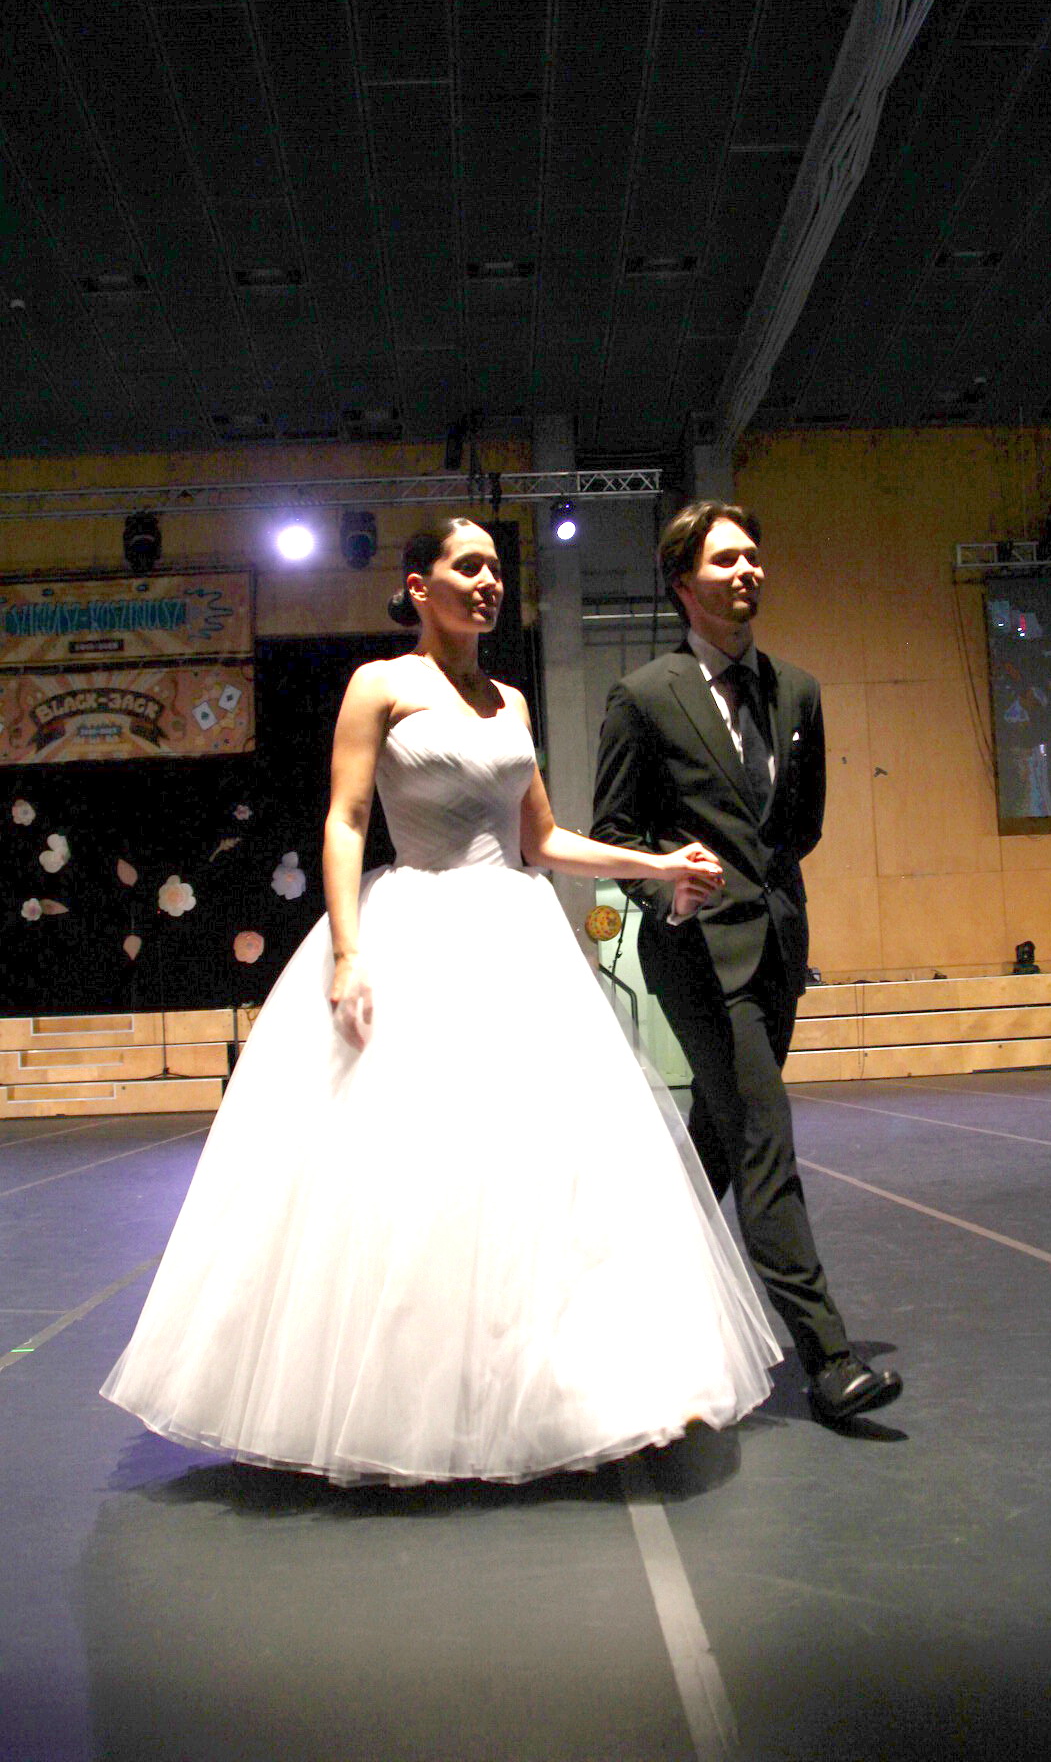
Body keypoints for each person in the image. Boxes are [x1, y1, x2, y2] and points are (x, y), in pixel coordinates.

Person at [101, 516, 781, 1485]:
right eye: (469, 567)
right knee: (413, 1176)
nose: (489, 582)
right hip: (416, 930)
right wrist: (348, 950)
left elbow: (541, 841)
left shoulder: (511, 702)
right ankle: (410, 1402)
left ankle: (558, 1393)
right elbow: (345, 820)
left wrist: (658, 863)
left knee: (537, 1177)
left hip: (517, 940)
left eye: (497, 568)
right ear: (420, 586)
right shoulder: (380, 686)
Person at [592, 500, 902, 1424]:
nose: (747, 570)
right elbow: (615, 833)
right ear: (682, 582)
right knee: (765, 1138)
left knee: (722, 1141)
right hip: (695, 954)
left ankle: (611, 1298)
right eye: (725, 559)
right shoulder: (643, 696)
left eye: (753, 556)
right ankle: (829, 1359)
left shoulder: (797, 691)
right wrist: (669, 886)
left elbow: (801, 826)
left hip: (778, 949)